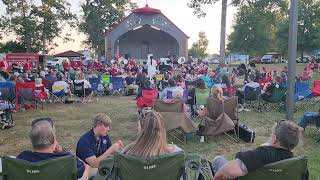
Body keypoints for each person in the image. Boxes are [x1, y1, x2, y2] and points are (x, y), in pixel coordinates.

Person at [212, 120, 303, 180]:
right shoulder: (297, 163)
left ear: (275, 138)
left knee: (218, 159)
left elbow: (231, 171)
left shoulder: (263, 154)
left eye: (271, 134)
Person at [16, 118, 90, 179]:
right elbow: (83, 173)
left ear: (32, 140)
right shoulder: (68, 161)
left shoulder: (20, 159)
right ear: (53, 138)